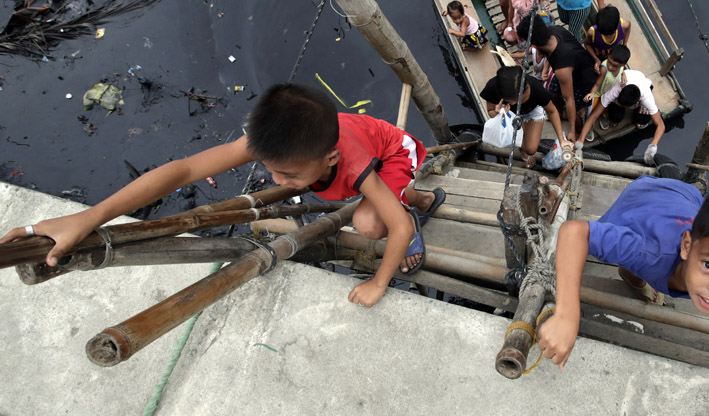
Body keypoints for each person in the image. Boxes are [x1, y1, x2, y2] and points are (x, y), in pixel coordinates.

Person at [0, 84, 447, 309]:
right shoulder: (281, 144)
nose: (276, 179)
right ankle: (421, 199)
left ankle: (413, 204)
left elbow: (395, 228)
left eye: (288, 174)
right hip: (351, 158)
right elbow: (185, 170)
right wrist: (91, 216)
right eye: (270, 168)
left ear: (329, 158)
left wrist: (378, 283)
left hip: (392, 153)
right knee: (381, 201)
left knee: (372, 221)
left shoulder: (352, 164)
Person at [537, 176, 709, 416]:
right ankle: (632, 274)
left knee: (642, 257)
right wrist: (567, 315)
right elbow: (575, 233)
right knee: (624, 252)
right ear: (686, 246)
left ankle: (634, 276)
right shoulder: (650, 251)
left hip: (687, 197)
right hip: (640, 196)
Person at [517, 14, 597, 143]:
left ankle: (578, 129)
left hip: (583, 81)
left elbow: (569, 99)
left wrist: (571, 131)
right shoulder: (556, 30)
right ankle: (558, 114)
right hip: (571, 68)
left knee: (570, 108)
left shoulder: (562, 68)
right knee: (552, 94)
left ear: (534, 45)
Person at [480, 66, 571, 168]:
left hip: (531, 111)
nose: (514, 103)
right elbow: (490, 111)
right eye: (510, 100)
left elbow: (552, 111)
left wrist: (562, 139)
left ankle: (523, 145)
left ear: (527, 88)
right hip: (509, 115)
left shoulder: (536, 89)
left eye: (517, 99)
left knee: (531, 149)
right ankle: (521, 147)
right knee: (513, 141)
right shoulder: (492, 87)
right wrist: (499, 113)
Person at [577, 66, 665, 164]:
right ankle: (617, 109)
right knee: (616, 117)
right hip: (625, 93)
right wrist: (580, 140)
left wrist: (653, 146)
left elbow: (660, 125)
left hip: (642, 87)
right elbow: (593, 116)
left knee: (643, 119)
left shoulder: (647, 97)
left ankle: (639, 110)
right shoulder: (616, 89)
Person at [581, 44, 630, 143]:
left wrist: (623, 74)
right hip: (598, 94)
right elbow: (597, 84)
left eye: (614, 66)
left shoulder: (621, 68)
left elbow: (621, 70)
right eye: (609, 62)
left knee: (604, 108)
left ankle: (601, 115)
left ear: (623, 64)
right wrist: (592, 93)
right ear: (608, 56)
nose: (610, 66)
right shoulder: (604, 69)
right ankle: (588, 126)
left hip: (606, 93)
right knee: (589, 113)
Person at [583, 5, 631, 74]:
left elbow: (628, 26)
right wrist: (596, 60)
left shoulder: (623, 24)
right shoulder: (592, 32)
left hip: (611, 60)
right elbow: (587, 45)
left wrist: (624, 45)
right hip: (594, 58)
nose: (608, 36)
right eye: (604, 34)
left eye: (610, 34)